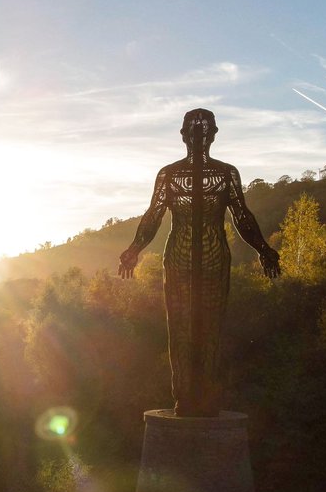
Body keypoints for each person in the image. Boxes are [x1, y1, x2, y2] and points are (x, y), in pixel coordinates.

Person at [118, 108, 279, 416]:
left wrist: (263, 248)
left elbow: (242, 216)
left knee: (211, 325)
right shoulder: (169, 174)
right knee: (179, 325)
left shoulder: (226, 173)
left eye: (204, 132)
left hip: (214, 257)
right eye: (193, 132)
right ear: (183, 136)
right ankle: (184, 397)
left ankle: (206, 396)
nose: (198, 137)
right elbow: (153, 215)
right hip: (178, 257)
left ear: (214, 136)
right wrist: (134, 248)